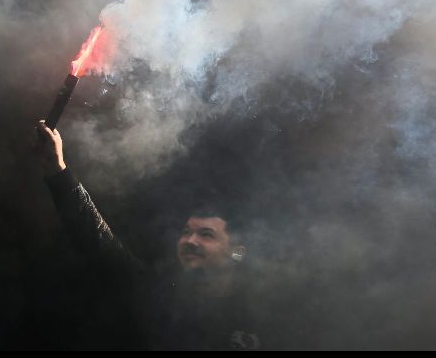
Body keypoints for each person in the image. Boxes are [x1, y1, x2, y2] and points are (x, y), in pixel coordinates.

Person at [33, 120, 265, 350]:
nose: (190, 241)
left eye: (206, 235)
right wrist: (58, 170)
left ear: (237, 252)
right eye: (186, 232)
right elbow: (100, 245)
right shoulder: (161, 296)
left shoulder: (263, 310)